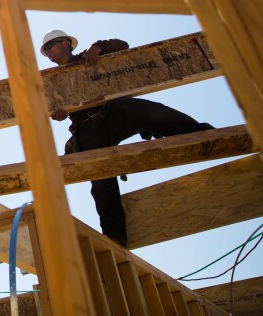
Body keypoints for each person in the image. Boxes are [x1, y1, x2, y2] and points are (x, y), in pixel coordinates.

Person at [40, 30, 215, 248]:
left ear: (66, 43)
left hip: (113, 113)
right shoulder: (52, 81)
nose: (48, 52)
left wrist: (99, 46)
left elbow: (123, 45)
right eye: (45, 51)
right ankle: (115, 235)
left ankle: (200, 133)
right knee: (101, 178)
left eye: (50, 46)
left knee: (149, 112)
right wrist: (59, 115)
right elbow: (56, 110)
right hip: (88, 130)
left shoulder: (88, 56)